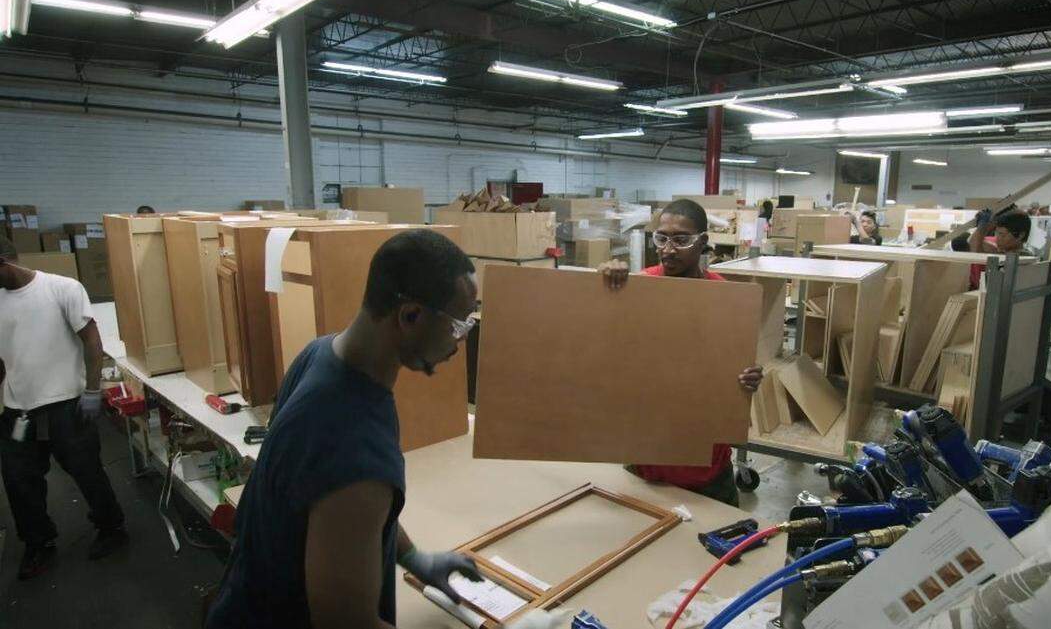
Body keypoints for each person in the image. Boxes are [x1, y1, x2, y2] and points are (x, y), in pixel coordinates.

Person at [205, 230, 563, 629]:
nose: (460, 340)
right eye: (458, 324)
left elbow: (347, 518)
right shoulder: (355, 449)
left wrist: (412, 557)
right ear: (410, 316)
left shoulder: (319, 354)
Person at [598, 199, 762, 507]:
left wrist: (749, 377)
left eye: (682, 240)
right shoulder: (638, 288)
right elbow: (600, 347)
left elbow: (734, 364)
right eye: (662, 238)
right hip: (645, 462)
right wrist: (605, 285)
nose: (669, 249)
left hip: (706, 467)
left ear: (703, 242)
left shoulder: (725, 298)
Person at [0, 235, 127, 581]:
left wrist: (92, 390)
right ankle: (38, 542)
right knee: (18, 480)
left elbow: (92, 342)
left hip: (65, 406)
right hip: (19, 410)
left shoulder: (61, 289)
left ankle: (111, 526)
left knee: (87, 471)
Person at [967, 209, 1035, 288]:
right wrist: (987, 225)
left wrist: (983, 226)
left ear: (1020, 235)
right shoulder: (1002, 251)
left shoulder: (1024, 256)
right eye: (997, 233)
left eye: (1002, 235)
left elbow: (976, 248)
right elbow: (973, 242)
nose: (997, 239)